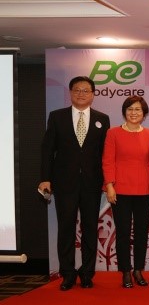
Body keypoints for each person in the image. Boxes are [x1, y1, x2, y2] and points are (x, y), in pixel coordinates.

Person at [40, 76, 110, 291]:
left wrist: (108, 181)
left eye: (86, 90)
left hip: (92, 183)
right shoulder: (57, 117)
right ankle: (67, 274)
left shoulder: (102, 118)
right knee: (66, 228)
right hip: (64, 183)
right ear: (70, 93)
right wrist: (45, 178)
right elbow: (47, 150)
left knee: (90, 228)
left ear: (93, 94)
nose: (81, 94)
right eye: (77, 90)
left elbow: (105, 154)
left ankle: (87, 273)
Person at [103, 96, 149, 288]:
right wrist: (109, 185)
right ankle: (125, 271)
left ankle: (138, 270)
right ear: (124, 112)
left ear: (144, 113)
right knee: (123, 232)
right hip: (120, 190)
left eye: (138, 109)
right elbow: (108, 160)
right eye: (130, 109)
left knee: (142, 232)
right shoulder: (113, 133)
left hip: (144, 190)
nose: (134, 113)